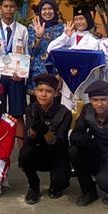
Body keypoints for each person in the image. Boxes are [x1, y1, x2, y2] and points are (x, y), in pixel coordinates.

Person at [70, 81, 108, 206]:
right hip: (94, 153)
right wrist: (82, 140)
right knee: (74, 151)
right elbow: (76, 132)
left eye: (103, 99)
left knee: (104, 181)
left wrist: (100, 147)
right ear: (90, 100)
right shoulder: (87, 110)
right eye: (95, 100)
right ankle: (89, 192)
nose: (99, 104)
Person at [18, 72, 71, 203]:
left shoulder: (65, 113)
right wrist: (33, 129)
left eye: (48, 91)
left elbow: (60, 143)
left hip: (56, 154)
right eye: (40, 90)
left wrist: (46, 131)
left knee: (62, 181)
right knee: (24, 154)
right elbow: (28, 139)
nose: (43, 94)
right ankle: (34, 186)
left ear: (56, 93)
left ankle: (55, 183)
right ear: (35, 92)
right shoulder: (31, 109)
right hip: (37, 151)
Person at [0, 0, 33, 114]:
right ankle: (0, 132)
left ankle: (18, 133)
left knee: (18, 110)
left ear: (16, 9)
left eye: (11, 6)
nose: (8, 9)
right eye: (5, 6)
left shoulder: (23, 30)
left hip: (17, 70)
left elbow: (27, 54)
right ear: (0, 8)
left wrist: (22, 74)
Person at [28, 0, 65, 92]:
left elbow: (64, 52)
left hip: (55, 74)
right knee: (36, 105)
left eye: (50, 8)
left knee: (54, 104)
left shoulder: (62, 28)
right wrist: (38, 36)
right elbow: (31, 52)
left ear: (55, 10)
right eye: (44, 9)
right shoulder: (33, 27)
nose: (47, 12)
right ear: (40, 11)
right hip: (37, 74)